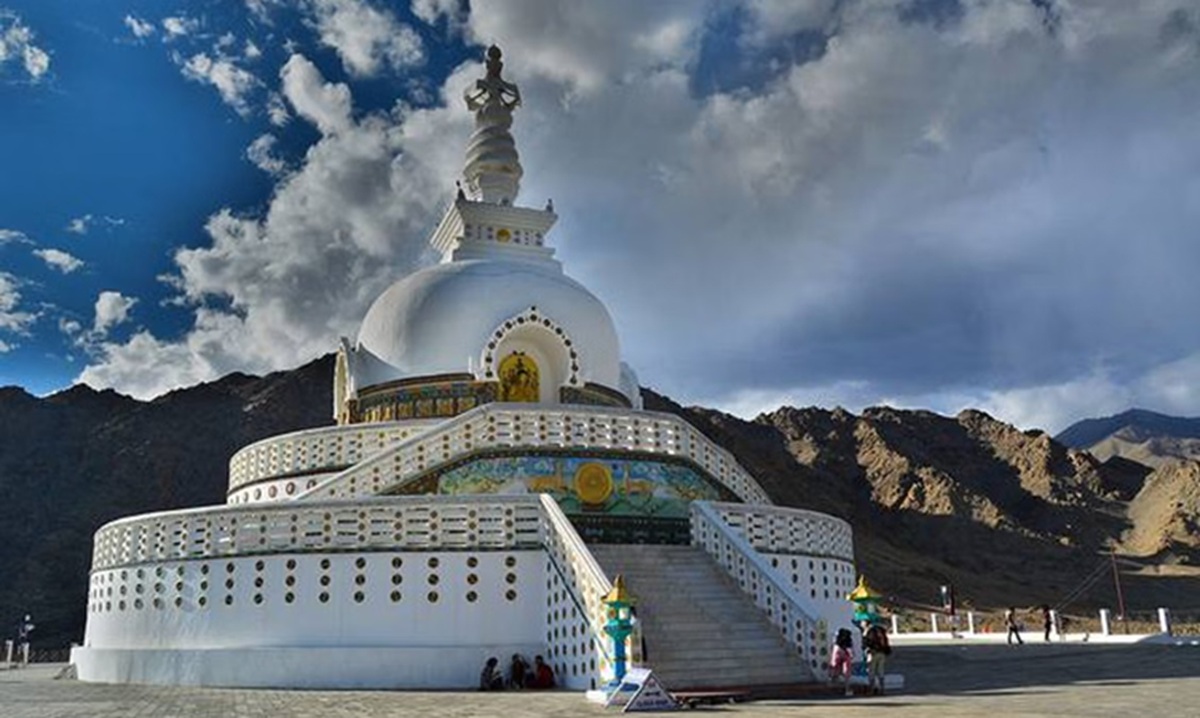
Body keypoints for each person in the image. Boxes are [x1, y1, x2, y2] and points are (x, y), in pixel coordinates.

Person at [861, 620, 892, 695]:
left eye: (862, 624)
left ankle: (871, 690)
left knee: (871, 672)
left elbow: (866, 643)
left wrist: (864, 637)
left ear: (865, 624)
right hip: (882, 653)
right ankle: (882, 689)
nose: (861, 625)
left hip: (873, 653)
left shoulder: (868, 631)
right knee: (881, 672)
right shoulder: (880, 629)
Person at [829, 627, 855, 696]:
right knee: (846, 673)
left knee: (835, 667)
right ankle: (847, 688)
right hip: (847, 653)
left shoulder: (836, 641)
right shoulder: (849, 641)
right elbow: (851, 651)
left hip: (838, 651)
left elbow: (833, 663)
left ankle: (833, 681)